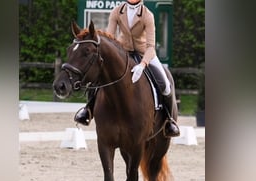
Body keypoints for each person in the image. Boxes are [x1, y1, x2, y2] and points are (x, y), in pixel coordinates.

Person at [74, 0, 180, 137]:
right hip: (123, 51)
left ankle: (169, 121)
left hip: (144, 52)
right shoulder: (117, 11)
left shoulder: (147, 15)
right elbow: (109, 38)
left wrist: (142, 65)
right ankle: (87, 109)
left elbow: (151, 47)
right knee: (98, 77)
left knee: (165, 84)